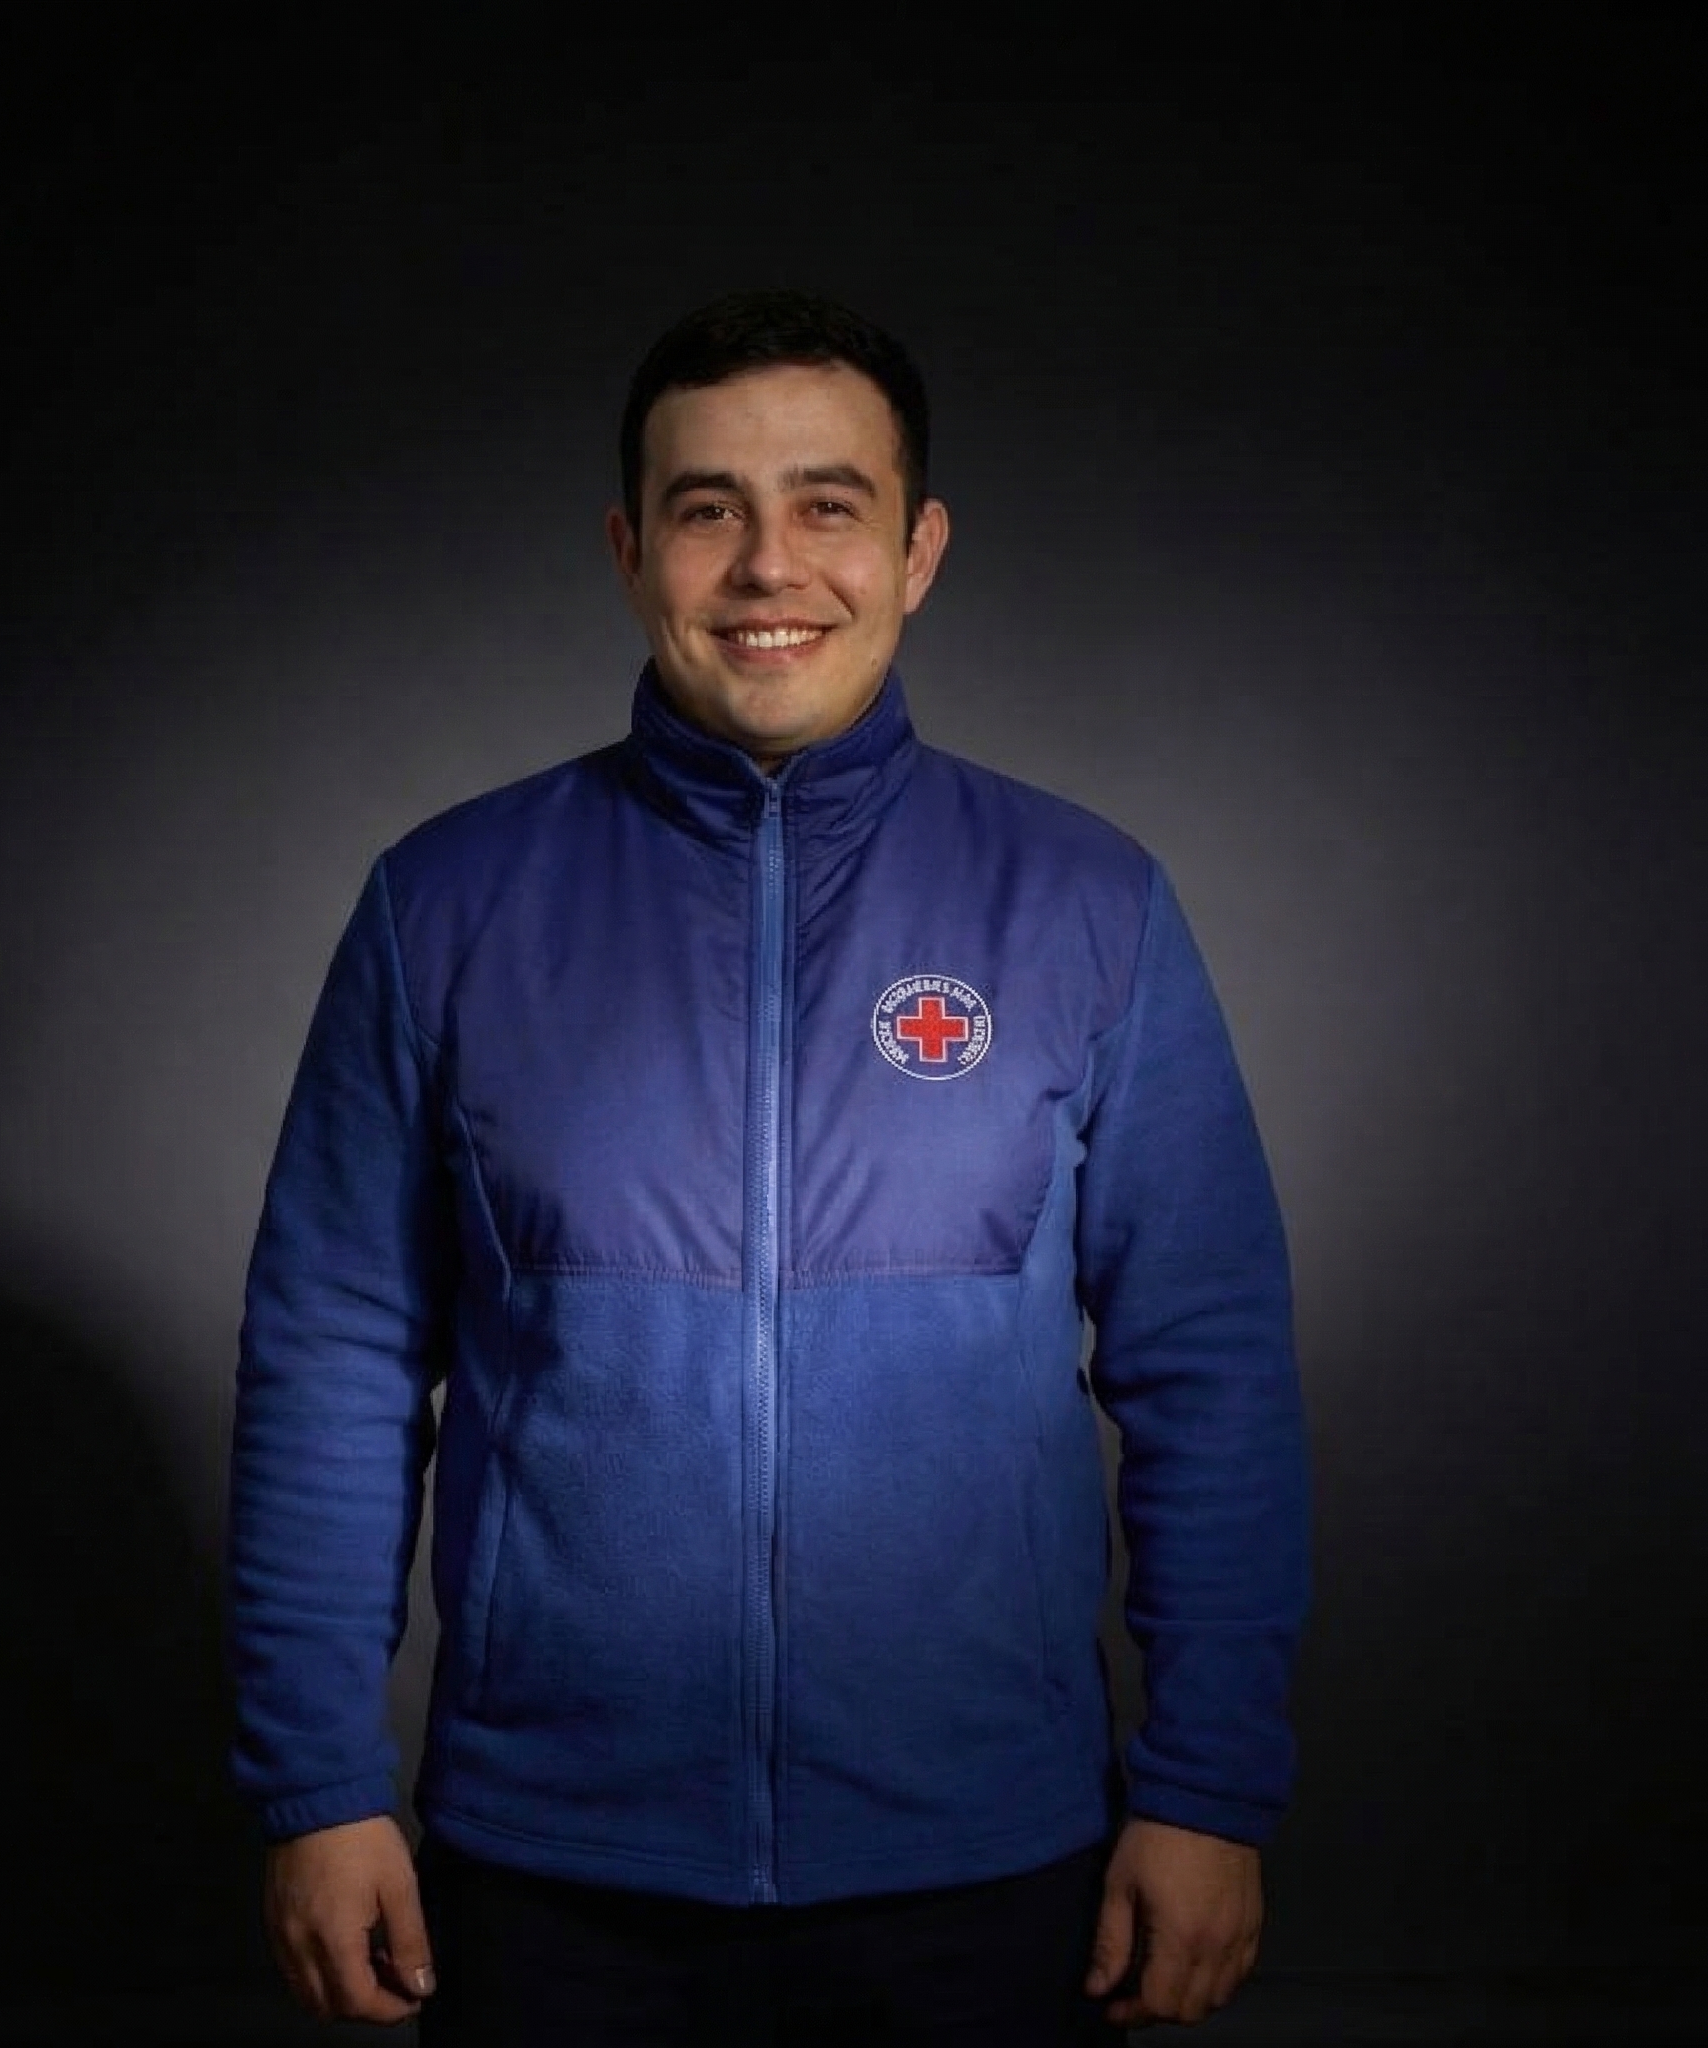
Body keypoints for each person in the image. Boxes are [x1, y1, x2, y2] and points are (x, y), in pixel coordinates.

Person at [229, 287, 1312, 2044]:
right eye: (707, 508)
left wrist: (1208, 1788)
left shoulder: (1088, 901)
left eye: (828, 505)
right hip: (551, 1873)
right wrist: (316, 1784)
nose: (768, 566)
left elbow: (1212, 1372)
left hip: (986, 1866)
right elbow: (331, 1361)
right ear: (629, 550)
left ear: (919, 549)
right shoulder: (444, 904)